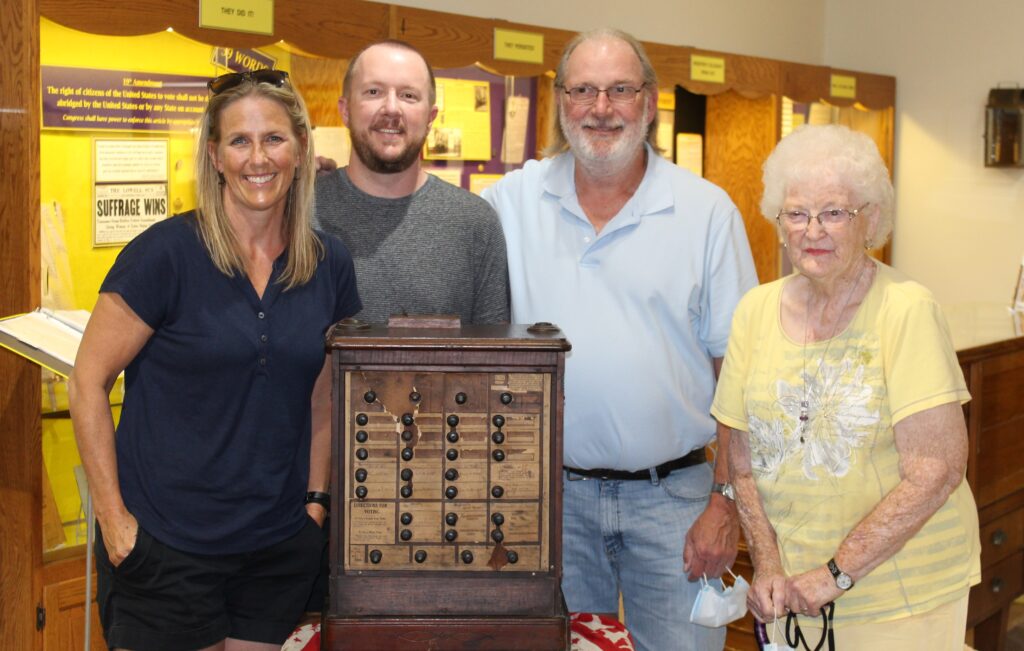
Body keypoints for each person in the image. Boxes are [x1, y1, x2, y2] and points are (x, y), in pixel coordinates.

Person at [482, 29, 758, 651]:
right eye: (582, 90)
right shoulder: (509, 204)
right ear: (559, 101)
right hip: (553, 500)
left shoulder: (706, 213)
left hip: (677, 501)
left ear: (650, 101)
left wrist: (727, 503)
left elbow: (740, 376)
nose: (600, 108)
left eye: (619, 90)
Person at [68, 69, 361, 650]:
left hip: (275, 548)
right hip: (165, 547)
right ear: (215, 155)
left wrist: (315, 505)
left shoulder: (328, 263)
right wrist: (115, 522)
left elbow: (325, 393)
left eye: (274, 138)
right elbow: (87, 382)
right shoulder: (163, 255)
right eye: (240, 140)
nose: (259, 158)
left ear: (301, 150)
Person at [711, 124, 980, 649]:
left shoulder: (907, 310)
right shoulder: (754, 311)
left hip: (901, 595)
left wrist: (836, 573)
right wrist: (767, 564)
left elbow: (936, 469)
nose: (813, 230)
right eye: (796, 213)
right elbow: (739, 455)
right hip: (791, 593)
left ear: (870, 220)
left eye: (833, 213)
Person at [315, 39, 509, 324]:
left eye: (408, 95)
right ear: (345, 110)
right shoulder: (299, 211)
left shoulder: (475, 224)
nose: (391, 108)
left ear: (431, 118)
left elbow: (494, 357)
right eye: (373, 91)